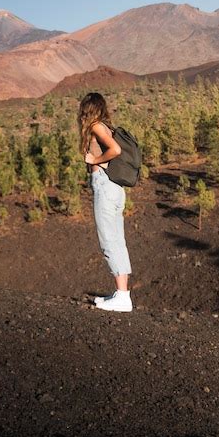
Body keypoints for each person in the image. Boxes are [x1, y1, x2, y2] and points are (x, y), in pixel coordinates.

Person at [78, 92, 133, 312]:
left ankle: (122, 298)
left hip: (105, 185)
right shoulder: (106, 126)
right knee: (117, 240)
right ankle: (121, 293)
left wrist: (95, 160)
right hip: (114, 188)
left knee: (109, 240)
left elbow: (116, 150)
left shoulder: (96, 126)